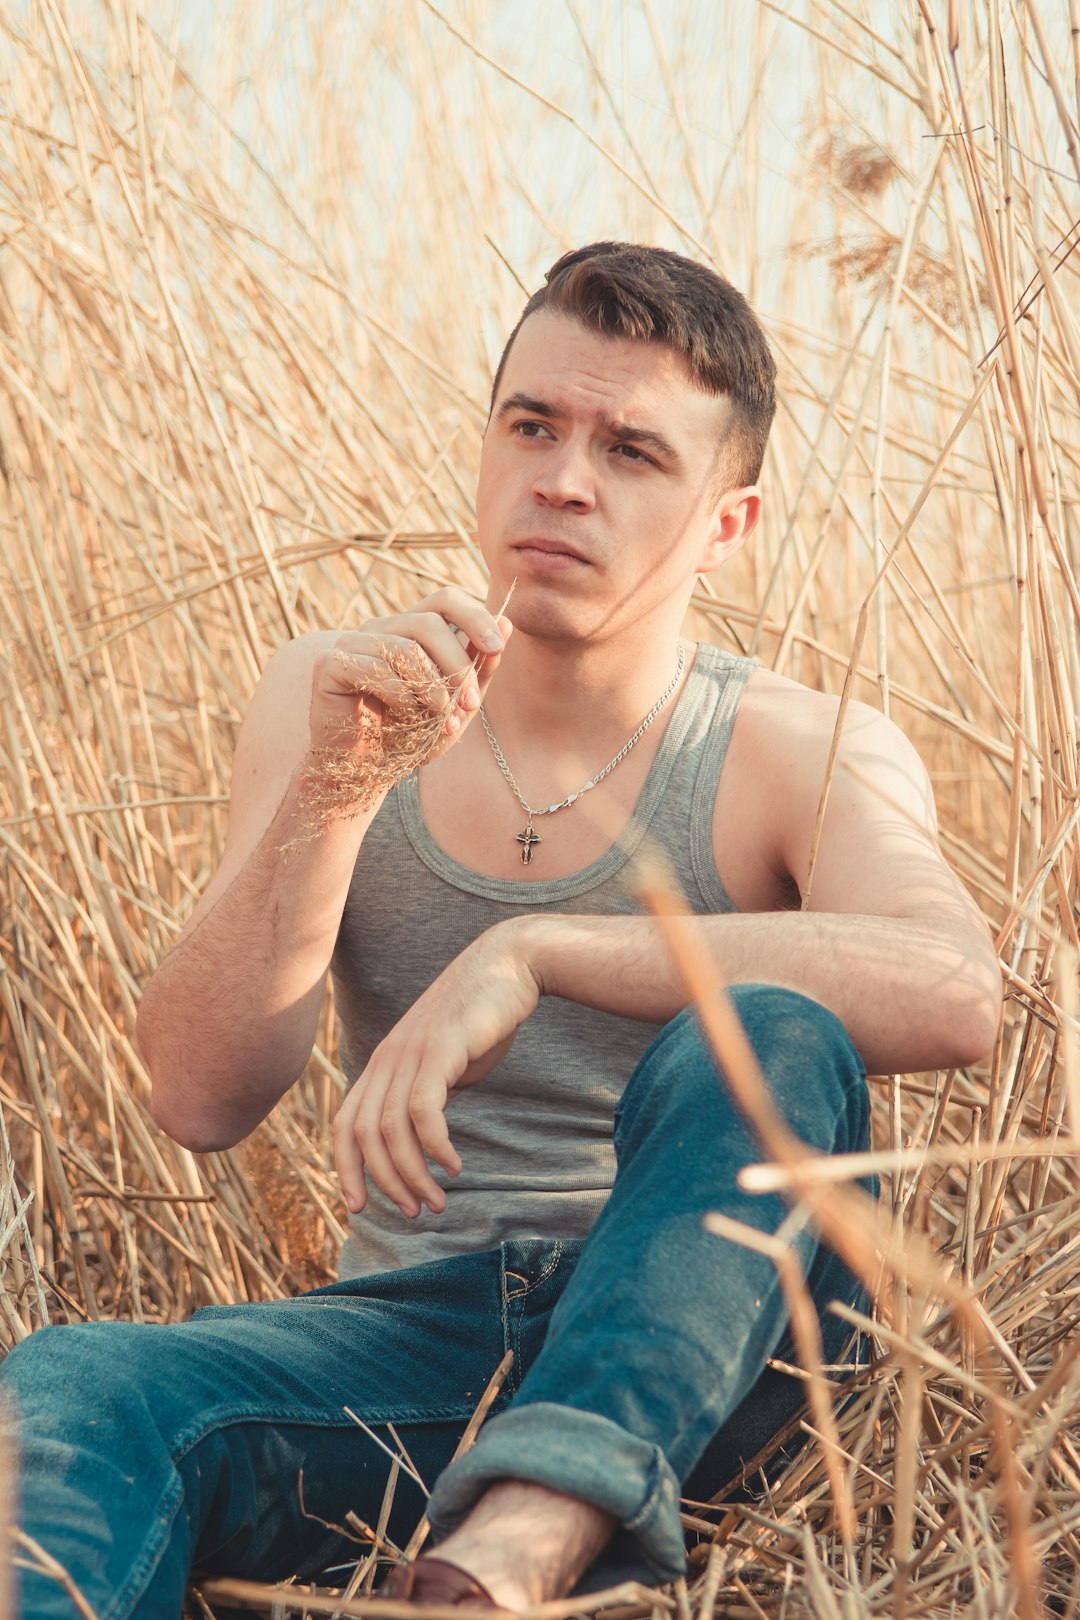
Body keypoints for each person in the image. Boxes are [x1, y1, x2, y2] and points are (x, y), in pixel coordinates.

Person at [0, 242, 1002, 1618]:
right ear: (486, 447)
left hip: (704, 1351)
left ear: (727, 524)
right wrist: (337, 784)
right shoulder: (334, 695)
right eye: (532, 425)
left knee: (768, 1037)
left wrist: (537, 953)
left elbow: (956, 991)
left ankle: (524, 1543)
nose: (566, 478)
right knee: (62, 1390)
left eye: (636, 452)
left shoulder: (796, 749)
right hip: (414, 1347)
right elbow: (197, 1093)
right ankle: (479, 1550)